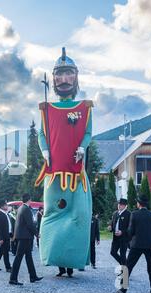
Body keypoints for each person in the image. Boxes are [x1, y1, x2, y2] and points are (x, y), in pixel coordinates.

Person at [36, 47, 93, 271]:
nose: (63, 78)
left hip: (76, 173)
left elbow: (87, 132)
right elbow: (43, 133)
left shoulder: (84, 108)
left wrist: (82, 147)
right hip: (54, 172)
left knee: (80, 214)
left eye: (68, 73)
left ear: (76, 76)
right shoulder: (47, 109)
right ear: (53, 79)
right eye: (59, 74)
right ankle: (53, 256)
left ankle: (74, 259)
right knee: (51, 214)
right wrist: (44, 150)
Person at [114, 194, 151, 293]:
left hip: (137, 245)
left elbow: (130, 231)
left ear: (138, 204)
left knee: (128, 267)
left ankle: (122, 290)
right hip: (150, 245)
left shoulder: (134, 214)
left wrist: (127, 237)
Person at [9, 194, 43, 285]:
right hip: (25, 237)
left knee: (29, 257)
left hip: (23, 236)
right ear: (29, 200)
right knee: (18, 257)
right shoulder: (26, 209)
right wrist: (36, 234)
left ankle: (33, 276)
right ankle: (13, 279)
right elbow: (30, 224)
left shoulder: (20, 208)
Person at [109, 198, 131, 266]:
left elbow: (130, 227)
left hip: (124, 238)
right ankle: (123, 265)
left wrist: (122, 232)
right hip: (115, 237)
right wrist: (110, 228)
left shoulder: (128, 214)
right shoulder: (115, 213)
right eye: (119, 204)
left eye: (121, 204)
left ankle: (124, 272)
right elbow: (113, 224)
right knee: (113, 252)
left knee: (122, 254)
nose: (119, 205)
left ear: (125, 206)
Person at [0, 200, 12, 272]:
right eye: (6, 205)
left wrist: (11, 234)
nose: (7, 206)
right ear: (2, 206)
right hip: (3, 237)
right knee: (5, 252)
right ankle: (8, 267)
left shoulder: (6, 214)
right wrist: (0, 238)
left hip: (7, 235)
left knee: (2, 251)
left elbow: (8, 225)